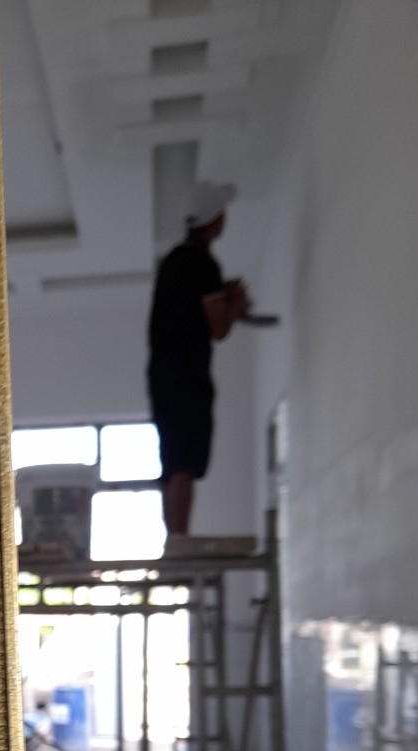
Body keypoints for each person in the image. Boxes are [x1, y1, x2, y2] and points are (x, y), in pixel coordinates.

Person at [147, 180, 250, 538]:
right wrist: (234, 306)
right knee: (184, 462)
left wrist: (223, 298)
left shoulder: (174, 260)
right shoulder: (203, 263)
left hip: (163, 373)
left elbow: (190, 312)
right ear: (215, 219)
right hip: (187, 373)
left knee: (173, 460)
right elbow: (218, 328)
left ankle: (175, 540)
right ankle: (180, 541)